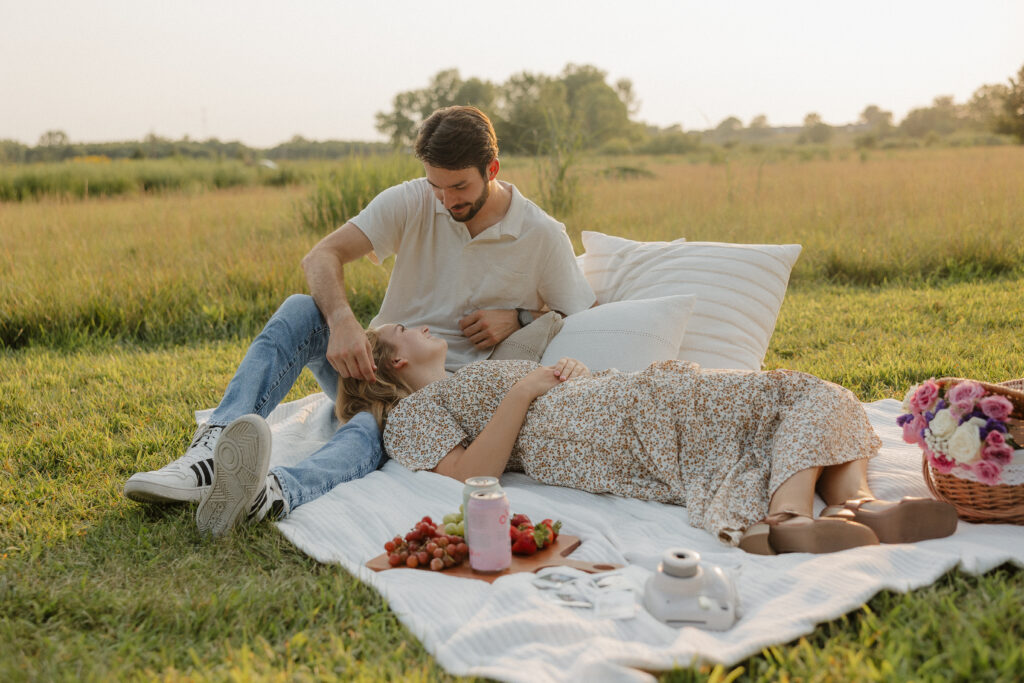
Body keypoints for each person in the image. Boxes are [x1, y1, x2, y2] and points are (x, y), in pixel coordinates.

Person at [122, 106, 595, 536]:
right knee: (301, 310)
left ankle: (270, 493)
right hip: (373, 360)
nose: (447, 201)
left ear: (491, 170)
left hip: (434, 393)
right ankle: (209, 451)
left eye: (460, 187)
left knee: (374, 423)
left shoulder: (540, 235)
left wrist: (518, 316)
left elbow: (580, 310)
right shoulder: (413, 200)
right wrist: (344, 320)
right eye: (437, 185)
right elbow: (321, 256)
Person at [333, 323, 958, 554]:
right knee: (799, 395)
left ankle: (833, 511)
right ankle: (808, 510)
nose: (419, 327)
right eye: (404, 331)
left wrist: (564, 376)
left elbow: (526, 389)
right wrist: (526, 392)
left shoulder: (467, 377)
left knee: (798, 403)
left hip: (595, 404)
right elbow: (475, 475)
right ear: (391, 364)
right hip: (585, 428)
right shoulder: (413, 414)